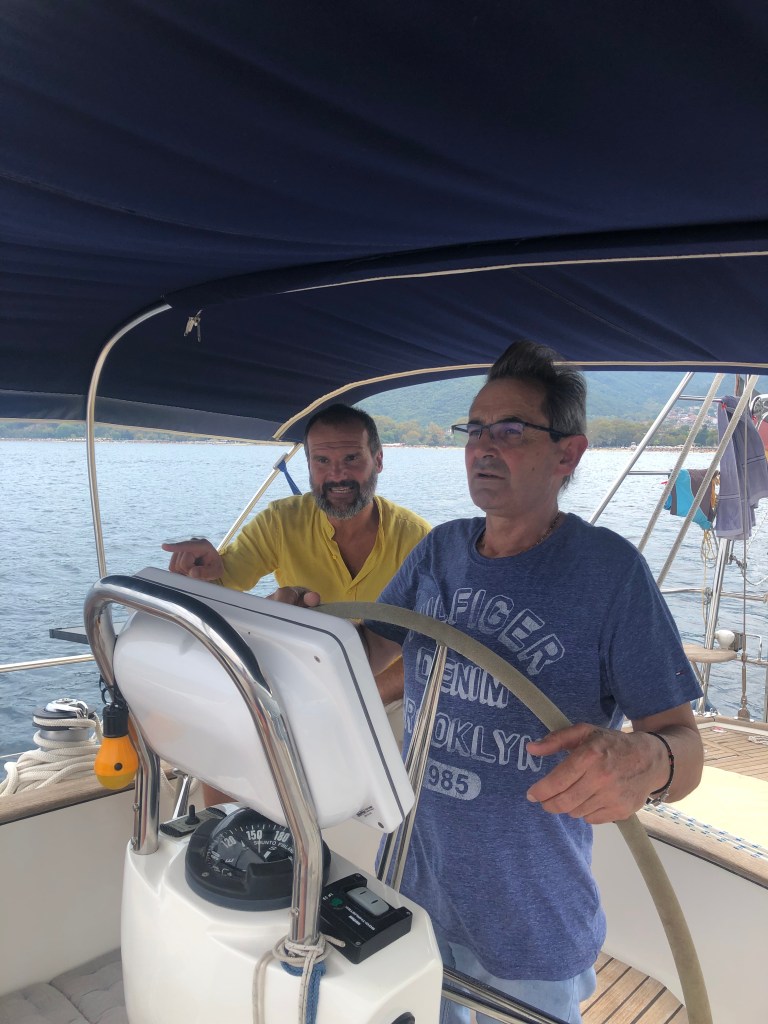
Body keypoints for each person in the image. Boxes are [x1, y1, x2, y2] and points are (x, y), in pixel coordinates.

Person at [276, 342, 704, 1024]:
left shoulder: (610, 574)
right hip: (413, 885)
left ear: (567, 454)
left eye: (509, 430)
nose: (483, 448)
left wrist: (647, 761)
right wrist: (302, 629)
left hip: (531, 916)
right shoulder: (439, 551)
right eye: (474, 430)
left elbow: (684, 746)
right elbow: (365, 649)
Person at [161, 403, 430, 731]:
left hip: (390, 695)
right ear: (309, 465)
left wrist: (360, 700)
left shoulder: (418, 540)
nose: (337, 475)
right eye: (322, 461)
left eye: (351, 458)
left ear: (378, 460)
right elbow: (219, 586)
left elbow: (431, 648)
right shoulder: (280, 522)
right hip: (303, 687)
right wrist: (195, 572)